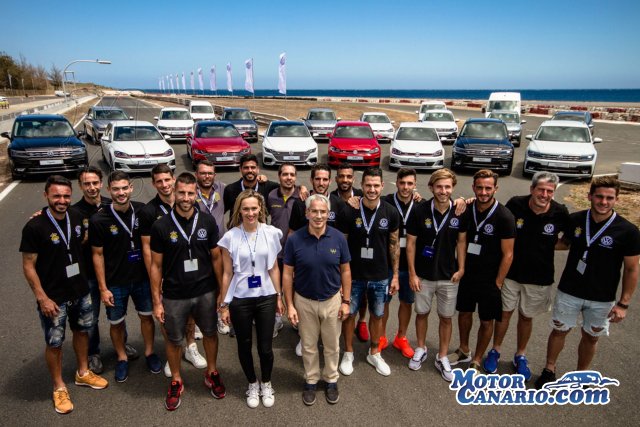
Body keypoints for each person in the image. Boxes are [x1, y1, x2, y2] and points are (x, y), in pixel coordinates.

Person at [535, 176, 640, 389]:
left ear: (616, 200)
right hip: (569, 290)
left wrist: (623, 303)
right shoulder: (575, 219)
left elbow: (631, 269)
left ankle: (581, 375)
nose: (603, 202)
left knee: (591, 337)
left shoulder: (628, 231)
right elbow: (563, 243)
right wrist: (533, 243)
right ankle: (549, 369)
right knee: (559, 331)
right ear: (590, 196)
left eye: (609, 198)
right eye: (599, 196)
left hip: (602, 297)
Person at [20, 175, 108, 414]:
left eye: (66, 196)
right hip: (53, 297)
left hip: (80, 290)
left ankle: (82, 372)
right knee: (55, 343)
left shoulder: (78, 218)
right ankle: (59, 386)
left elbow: (82, 242)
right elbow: (28, 265)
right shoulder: (34, 226)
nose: (62, 200)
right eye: (56, 195)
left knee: (82, 331)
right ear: (46, 195)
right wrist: (42, 297)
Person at [483, 172, 569, 380]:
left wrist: (546, 246)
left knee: (526, 317)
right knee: (504, 314)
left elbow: (567, 240)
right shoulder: (516, 204)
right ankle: (495, 350)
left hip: (539, 277)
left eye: (550, 191)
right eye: (541, 190)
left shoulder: (560, 212)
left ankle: (520, 355)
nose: (545, 194)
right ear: (532, 189)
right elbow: (497, 217)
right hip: (511, 274)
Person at [150, 173, 225, 410]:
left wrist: (222, 292)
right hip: (174, 294)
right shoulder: (161, 225)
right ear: (174, 192)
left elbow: (216, 258)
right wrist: (156, 301)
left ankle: (211, 372)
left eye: (190, 193)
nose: (185, 198)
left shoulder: (206, 221)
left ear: (196, 194)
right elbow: (156, 265)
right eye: (181, 193)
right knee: (174, 340)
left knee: (211, 333)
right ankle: (176, 379)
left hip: (205, 291)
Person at [90, 171, 162, 383]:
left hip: (142, 279)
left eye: (124, 188)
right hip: (115, 282)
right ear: (108, 190)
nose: (121, 193)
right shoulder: (99, 219)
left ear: (131, 188)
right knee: (116, 323)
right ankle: (122, 357)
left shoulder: (142, 210)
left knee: (147, 317)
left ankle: (149, 352)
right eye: (116, 189)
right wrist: (103, 288)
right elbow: (97, 254)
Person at [283, 194, 352, 406]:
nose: (319, 216)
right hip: (304, 301)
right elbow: (287, 273)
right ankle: (311, 380)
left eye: (323, 212)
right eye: (314, 211)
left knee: (332, 345)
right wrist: (290, 305)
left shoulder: (339, 237)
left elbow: (346, 270)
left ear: (328, 214)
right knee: (309, 346)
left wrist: (346, 301)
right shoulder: (295, 240)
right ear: (307, 213)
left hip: (332, 300)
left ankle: (331, 380)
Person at [218, 190, 284, 408]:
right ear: (239, 210)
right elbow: (227, 273)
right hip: (240, 299)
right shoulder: (230, 237)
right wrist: (224, 304)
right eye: (245, 209)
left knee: (265, 347)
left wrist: (279, 296)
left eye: (254, 208)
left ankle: (266, 382)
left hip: (266, 296)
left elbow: (274, 268)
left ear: (260, 209)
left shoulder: (271, 233)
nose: (250, 213)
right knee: (244, 345)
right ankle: (252, 383)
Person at [139, 164, 206, 377]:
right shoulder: (149, 211)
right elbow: (148, 251)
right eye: (159, 181)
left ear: (174, 180)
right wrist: (155, 282)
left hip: (189, 272)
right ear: (153, 183)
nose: (164, 185)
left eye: (167, 180)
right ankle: (173, 354)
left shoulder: (188, 204)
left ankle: (190, 347)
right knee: (168, 319)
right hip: (166, 275)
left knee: (190, 317)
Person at [73, 167, 141, 375]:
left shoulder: (110, 203)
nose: (92, 188)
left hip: (113, 273)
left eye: (95, 183)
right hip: (88, 276)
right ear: (80, 186)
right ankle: (94, 353)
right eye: (87, 184)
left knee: (117, 314)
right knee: (91, 318)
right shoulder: (74, 211)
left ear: (102, 184)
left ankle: (122, 345)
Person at [448, 169, 515, 372]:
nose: (484, 192)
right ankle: (463, 349)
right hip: (467, 274)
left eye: (488, 188)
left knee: (486, 321)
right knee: (464, 314)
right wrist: (460, 200)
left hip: (490, 279)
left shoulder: (504, 216)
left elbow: (508, 254)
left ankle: (477, 358)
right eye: (480, 187)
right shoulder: (466, 210)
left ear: (496, 188)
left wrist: (499, 282)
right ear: (473, 188)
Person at [406, 168, 467, 381]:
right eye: (439, 186)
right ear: (431, 187)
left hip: (449, 276)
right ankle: (421, 348)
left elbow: (461, 241)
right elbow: (411, 244)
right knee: (421, 313)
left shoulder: (460, 211)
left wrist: (461, 269)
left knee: (446, 318)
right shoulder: (420, 210)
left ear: (453, 188)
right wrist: (412, 273)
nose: (443, 191)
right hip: (423, 275)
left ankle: (442, 356)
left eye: (447, 187)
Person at [340, 167, 400, 377]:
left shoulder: (391, 212)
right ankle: (348, 352)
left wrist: (394, 275)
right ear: (362, 186)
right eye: (368, 185)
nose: (372, 189)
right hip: (354, 275)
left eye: (376, 185)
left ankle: (374, 352)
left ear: (382, 186)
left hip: (380, 276)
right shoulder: (350, 210)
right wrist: (341, 276)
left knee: (378, 315)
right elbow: (343, 244)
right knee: (349, 315)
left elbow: (394, 246)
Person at [288, 163, 349, 356]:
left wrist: (339, 278)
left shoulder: (340, 204)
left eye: (325, 179)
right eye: (317, 179)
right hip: (306, 264)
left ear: (330, 181)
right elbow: (292, 233)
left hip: (331, 266)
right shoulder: (301, 203)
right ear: (312, 180)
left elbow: (343, 239)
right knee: (307, 316)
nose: (321, 182)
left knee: (330, 321)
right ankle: (305, 340)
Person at [329, 163, 367, 342]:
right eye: (341, 176)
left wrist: (415, 194)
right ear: (336, 179)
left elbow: (384, 202)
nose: (345, 180)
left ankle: (362, 321)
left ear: (353, 179)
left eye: (348, 176)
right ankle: (337, 323)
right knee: (339, 291)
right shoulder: (328, 198)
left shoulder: (362, 195)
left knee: (362, 291)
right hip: (335, 254)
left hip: (359, 253)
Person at [194, 160, 229, 336]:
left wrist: (260, 179)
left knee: (220, 282)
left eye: (210, 173)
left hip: (220, 247)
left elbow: (245, 190)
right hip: (198, 248)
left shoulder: (222, 189)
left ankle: (220, 315)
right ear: (196, 175)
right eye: (203, 173)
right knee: (199, 284)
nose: (207, 176)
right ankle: (199, 320)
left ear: (214, 175)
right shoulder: (190, 192)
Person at [266, 163, 302, 338]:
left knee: (295, 285)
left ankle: (295, 316)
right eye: (285, 174)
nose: (289, 178)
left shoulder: (303, 196)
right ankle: (277, 318)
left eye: (292, 175)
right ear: (279, 176)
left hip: (295, 252)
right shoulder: (271, 195)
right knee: (275, 286)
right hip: (276, 252)